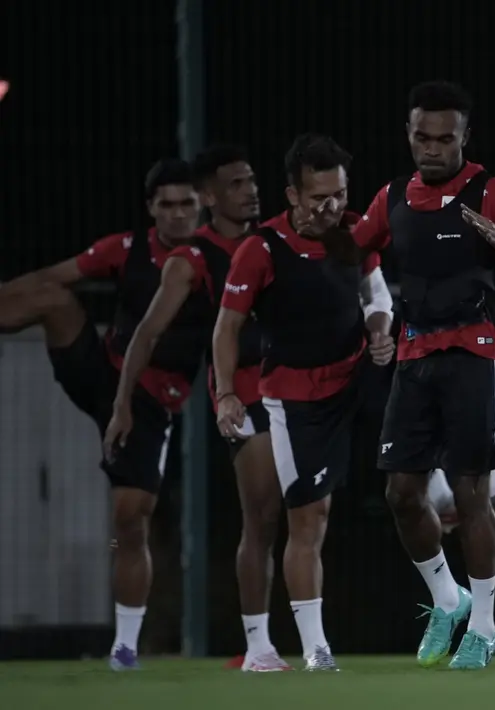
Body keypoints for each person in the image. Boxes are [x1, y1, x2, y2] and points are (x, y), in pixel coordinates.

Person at [351, 80, 495, 670]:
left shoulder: (490, 190)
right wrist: (374, 311)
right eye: (421, 137)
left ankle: (483, 627)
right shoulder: (392, 198)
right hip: (413, 356)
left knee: (471, 492)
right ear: (409, 135)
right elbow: (355, 253)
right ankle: (447, 598)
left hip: (476, 353)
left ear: (464, 138)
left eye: (445, 138)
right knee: (401, 494)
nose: (432, 148)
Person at [0, 159, 211, 670]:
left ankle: (124, 647)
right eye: (167, 205)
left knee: (129, 522)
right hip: (101, 376)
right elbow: (53, 275)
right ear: (151, 210)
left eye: (187, 203)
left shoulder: (214, 261)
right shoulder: (126, 249)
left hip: (149, 403)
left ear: (201, 205)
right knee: (50, 297)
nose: (178, 213)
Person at [101, 145, 293, 672]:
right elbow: (147, 333)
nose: (250, 190)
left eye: (252, 180)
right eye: (236, 183)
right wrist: (122, 405)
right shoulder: (191, 260)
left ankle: (305, 642)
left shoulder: (275, 238)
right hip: (241, 391)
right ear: (209, 197)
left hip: (297, 386)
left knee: (298, 514)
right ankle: (257, 646)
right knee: (261, 515)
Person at [213, 133, 395, 672]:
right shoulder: (261, 249)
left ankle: (447, 490)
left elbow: (377, 297)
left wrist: (380, 330)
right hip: (296, 399)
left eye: (338, 194)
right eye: (318, 197)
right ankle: (314, 649)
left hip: (357, 378)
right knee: (306, 518)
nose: (331, 207)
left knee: (417, 411)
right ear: (292, 195)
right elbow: (227, 328)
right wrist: (225, 393)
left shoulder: (354, 231)